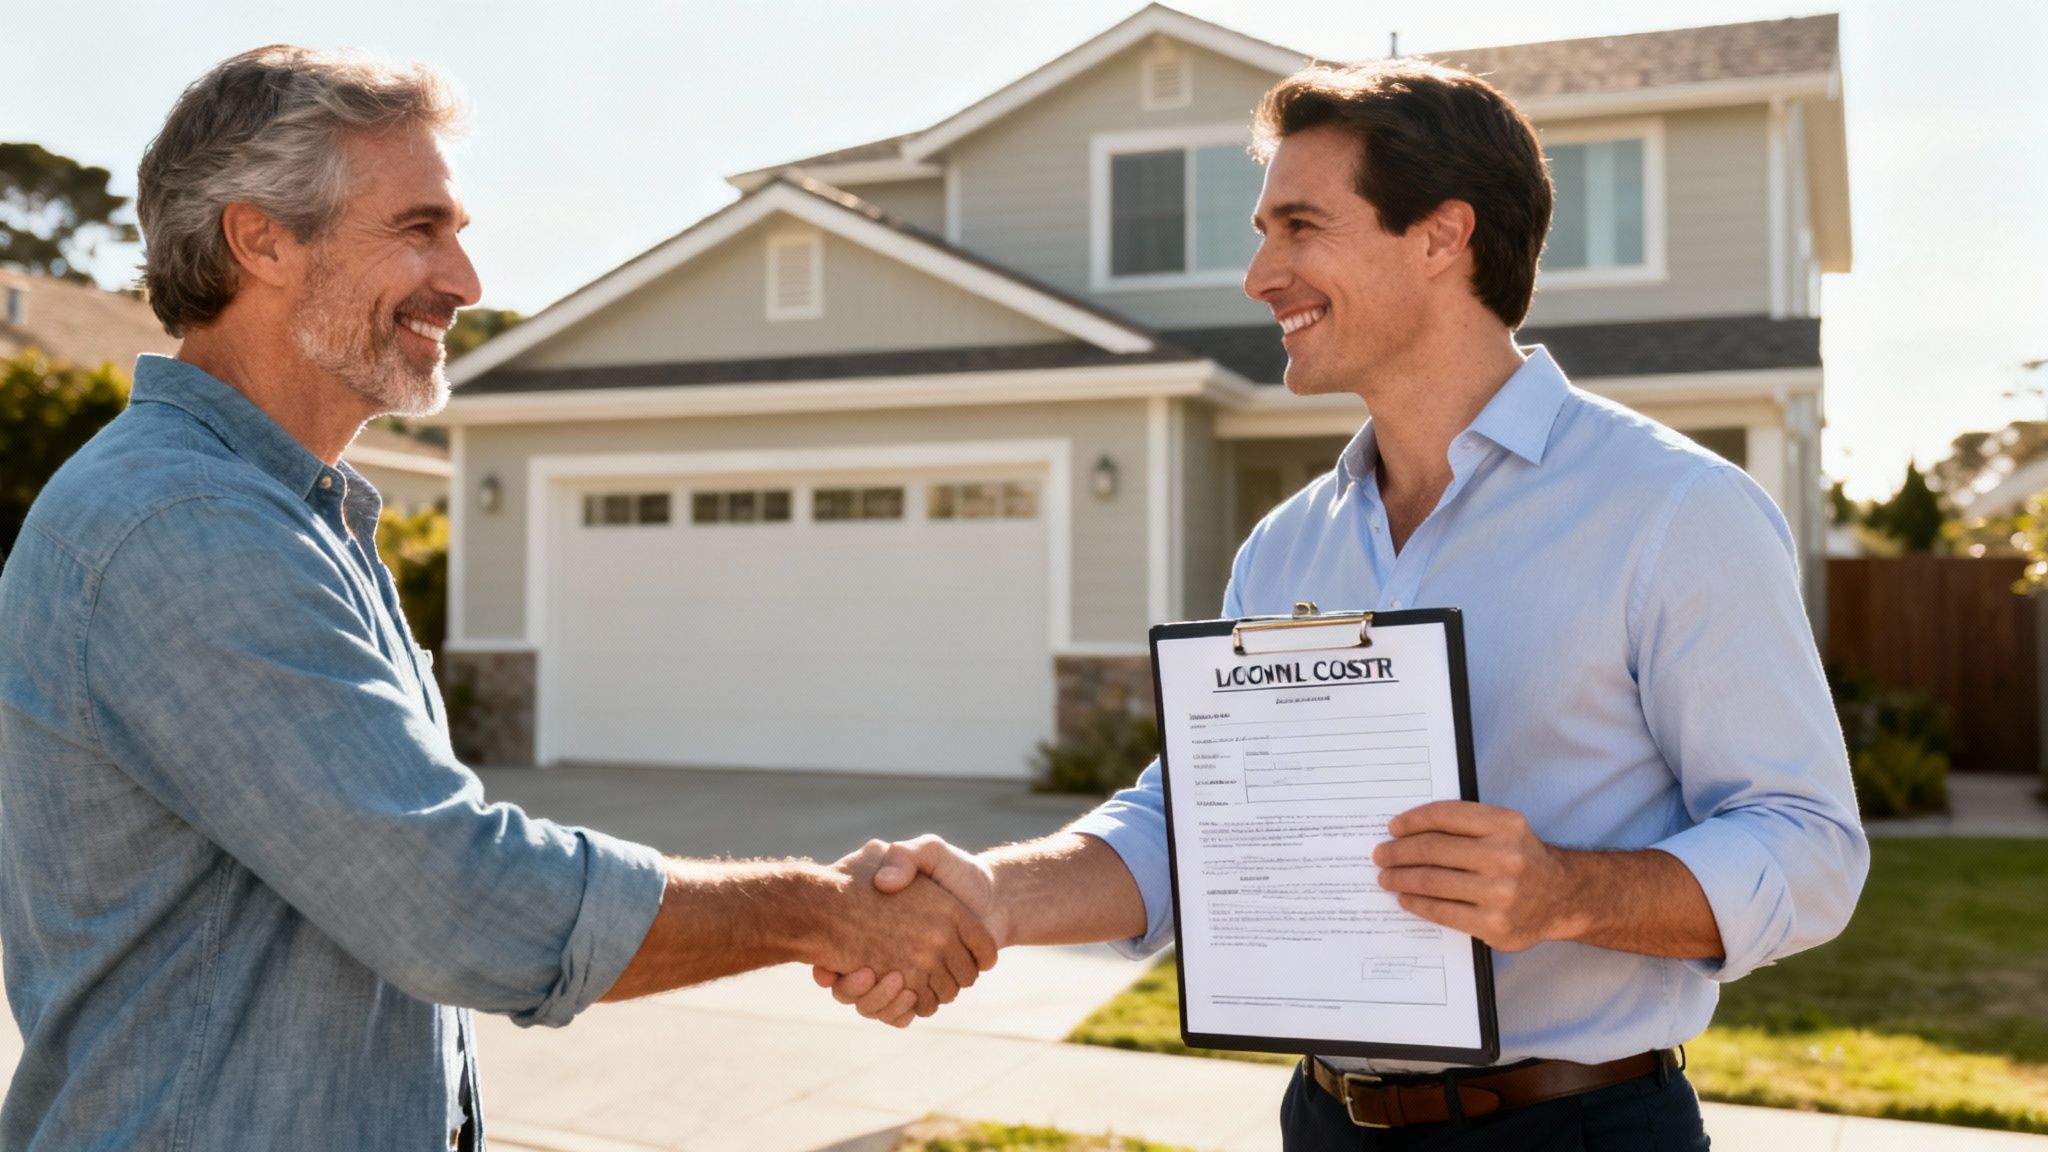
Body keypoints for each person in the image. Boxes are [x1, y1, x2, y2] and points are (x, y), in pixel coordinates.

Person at [818, 59, 1868, 1150]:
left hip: (1574, 1129)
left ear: (1438, 237)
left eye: (1299, 226)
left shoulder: (1671, 511)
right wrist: (990, 895)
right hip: (1324, 1124)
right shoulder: (1286, 548)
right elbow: (1191, 824)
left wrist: (1563, 892)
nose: (1258, 273)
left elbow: (1808, 849)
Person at [0, 46, 994, 1150]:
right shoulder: (186, 526)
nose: (466, 281)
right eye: (419, 228)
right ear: (261, 238)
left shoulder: (290, 518)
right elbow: (452, 903)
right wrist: (817, 908)